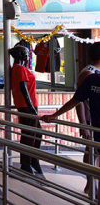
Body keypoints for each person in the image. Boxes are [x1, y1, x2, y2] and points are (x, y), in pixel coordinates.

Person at [41, 70, 100, 198]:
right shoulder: (92, 79)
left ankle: (93, 190)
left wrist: (54, 115)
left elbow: (75, 101)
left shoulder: (92, 80)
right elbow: (76, 100)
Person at [66, 42, 100, 193]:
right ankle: (90, 184)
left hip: (94, 119)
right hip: (91, 120)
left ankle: (91, 185)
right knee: (91, 152)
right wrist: (83, 124)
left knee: (92, 151)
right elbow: (78, 99)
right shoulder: (89, 73)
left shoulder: (94, 71)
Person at [9, 45, 43, 175]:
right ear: (20, 55)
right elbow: (23, 88)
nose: (28, 55)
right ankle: (25, 163)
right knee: (29, 134)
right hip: (27, 106)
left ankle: (33, 158)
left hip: (29, 105)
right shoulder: (20, 69)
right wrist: (31, 107)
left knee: (37, 133)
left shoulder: (17, 68)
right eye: (26, 53)